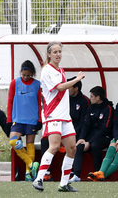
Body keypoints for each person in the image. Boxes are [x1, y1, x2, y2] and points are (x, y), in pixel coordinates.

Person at [32, 41, 85, 192]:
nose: (58, 54)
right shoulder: (47, 70)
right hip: (53, 115)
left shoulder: (60, 70)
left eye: (59, 51)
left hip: (64, 116)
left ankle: (64, 183)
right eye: (54, 52)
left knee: (72, 148)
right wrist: (76, 79)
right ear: (48, 54)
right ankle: (39, 178)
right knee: (54, 146)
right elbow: (60, 87)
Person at [41, 76, 90, 181]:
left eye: (69, 87)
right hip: (61, 129)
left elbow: (84, 122)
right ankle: (46, 173)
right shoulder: (63, 97)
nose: (66, 89)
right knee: (45, 142)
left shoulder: (84, 101)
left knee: (75, 147)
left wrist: (78, 135)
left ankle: (73, 175)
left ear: (76, 88)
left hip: (75, 132)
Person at [69, 86, 114, 182]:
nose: (90, 98)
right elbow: (86, 125)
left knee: (95, 145)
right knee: (79, 146)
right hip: (91, 136)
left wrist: (89, 141)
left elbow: (104, 129)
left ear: (98, 98)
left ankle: (97, 173)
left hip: (104, 136)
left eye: (92, 96)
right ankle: (76, 175)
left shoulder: (108, 108)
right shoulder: (91, 108)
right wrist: (82, 138)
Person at [7, 60, 42, 181]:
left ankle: (28, 173)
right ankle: (31, 164)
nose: (26, 77)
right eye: (24, 75)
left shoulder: (37, 84)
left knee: (30, 145)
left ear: (32, 73)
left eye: (28, 75)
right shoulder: (14, 83)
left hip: (32, 119)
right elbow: (10, 101)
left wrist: (39, 119)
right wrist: (9, 119)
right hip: (18, 119)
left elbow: (39, 102)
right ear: (21, 72)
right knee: (12, 142)